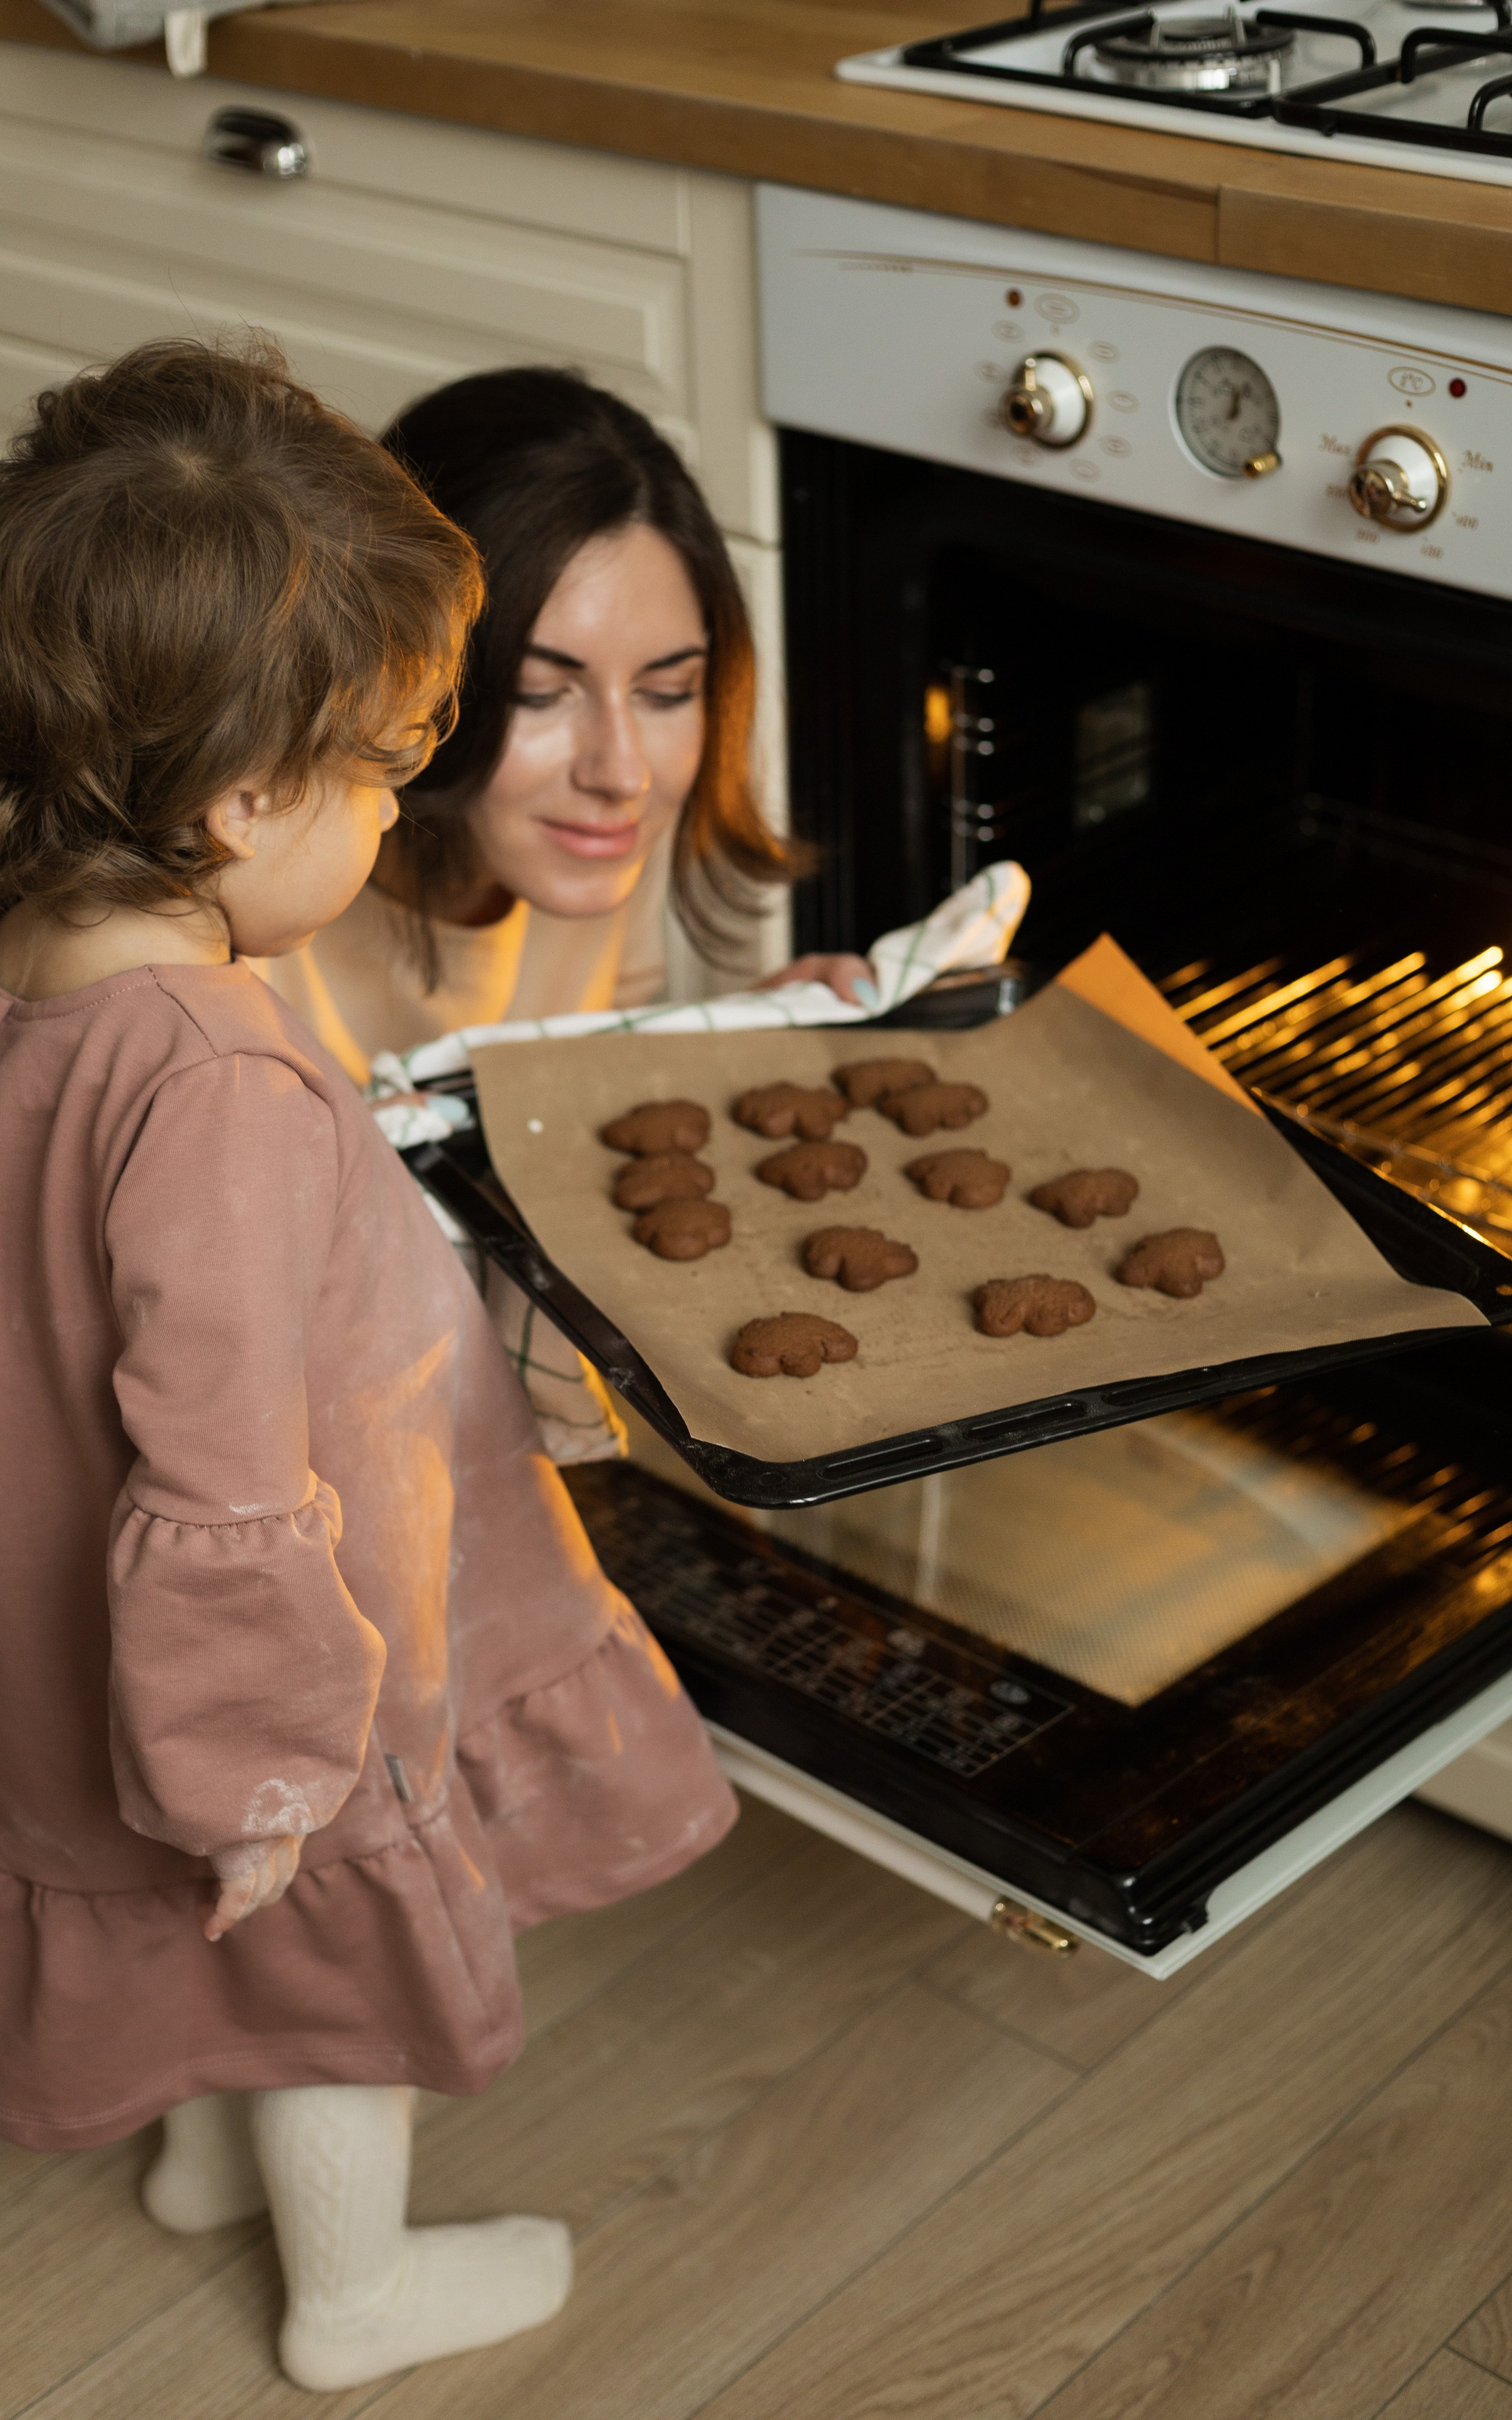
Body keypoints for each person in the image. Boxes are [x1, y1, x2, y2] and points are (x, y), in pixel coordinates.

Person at [0, 337, 736, 2392]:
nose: (406, 805)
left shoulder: (40, 979)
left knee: (202, 1944)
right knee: (320, 1955)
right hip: (263, 1657)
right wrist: (261, 1765)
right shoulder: (215, 1075)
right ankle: (355, 2297)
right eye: (387, 768)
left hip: (60, 1618)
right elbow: (227, 1472)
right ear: (242, 798)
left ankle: (202, 2171)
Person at [263, 365, 873, 1082]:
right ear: (398, 682)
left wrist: (732, 1048)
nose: (623, 773)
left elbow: (578, 1094)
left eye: (668, 691)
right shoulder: (243, 907)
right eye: (541, 693)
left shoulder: (594, 839)